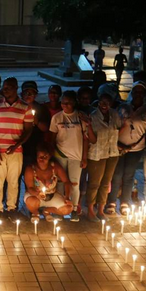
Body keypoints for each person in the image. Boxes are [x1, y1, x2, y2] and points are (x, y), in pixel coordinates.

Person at [0, 77, 34, 221]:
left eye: (8, 87)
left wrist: (17, 145)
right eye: (4, 87)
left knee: (14, 181)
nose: (4, 90)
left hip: (16, 151)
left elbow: (28, 130)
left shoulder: (25, 107)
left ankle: (11, 208)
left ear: (15, 88)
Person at [49, 91, 96, 222]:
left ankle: (74, 209)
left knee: (74, 183)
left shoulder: (81, 117)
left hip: (76, 155)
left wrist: (84, 157)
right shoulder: (57, 118)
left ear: (74, 102)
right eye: (63, 102)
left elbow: (87, 139)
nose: (65, 105)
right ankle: (59, 208)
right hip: (60, 154)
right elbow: (52, 138)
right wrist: (52, 156)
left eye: (68, 103)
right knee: (59, 182)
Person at [107, 82, 146, 215]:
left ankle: (125, 203)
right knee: (116, 175)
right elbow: (114, 128)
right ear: (131, 93)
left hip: (136, 148)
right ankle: (111, 202)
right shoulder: (123, 108)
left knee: (129, 175)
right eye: (136, 92)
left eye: (141, 92)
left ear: (144, 95)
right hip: (119, 147)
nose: (138, 94)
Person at [86, 94, 121, 222]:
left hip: (112, 153)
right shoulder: (93, 117)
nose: (105, 105)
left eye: (108, 102)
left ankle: (101, 210)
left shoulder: (115, 115)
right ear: (98, 103)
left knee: (106, 183)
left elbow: (119, 128)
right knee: (94, 183)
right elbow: (91, 138)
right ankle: (90, 210)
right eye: (102, 102)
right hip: (97, 154)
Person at [24, 143, 73, 223]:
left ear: (49, 157)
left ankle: (47, 211)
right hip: (35, 196)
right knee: (31, 201)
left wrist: (67, 197)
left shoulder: (55, 167)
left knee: (68, 208)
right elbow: (29, 188)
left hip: (52, 195)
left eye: (45, 157)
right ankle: (35, 213)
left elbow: (66, 182)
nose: (42, 159)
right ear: (36, 157)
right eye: (40, 157)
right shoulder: (30, 169)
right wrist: (37, 194)